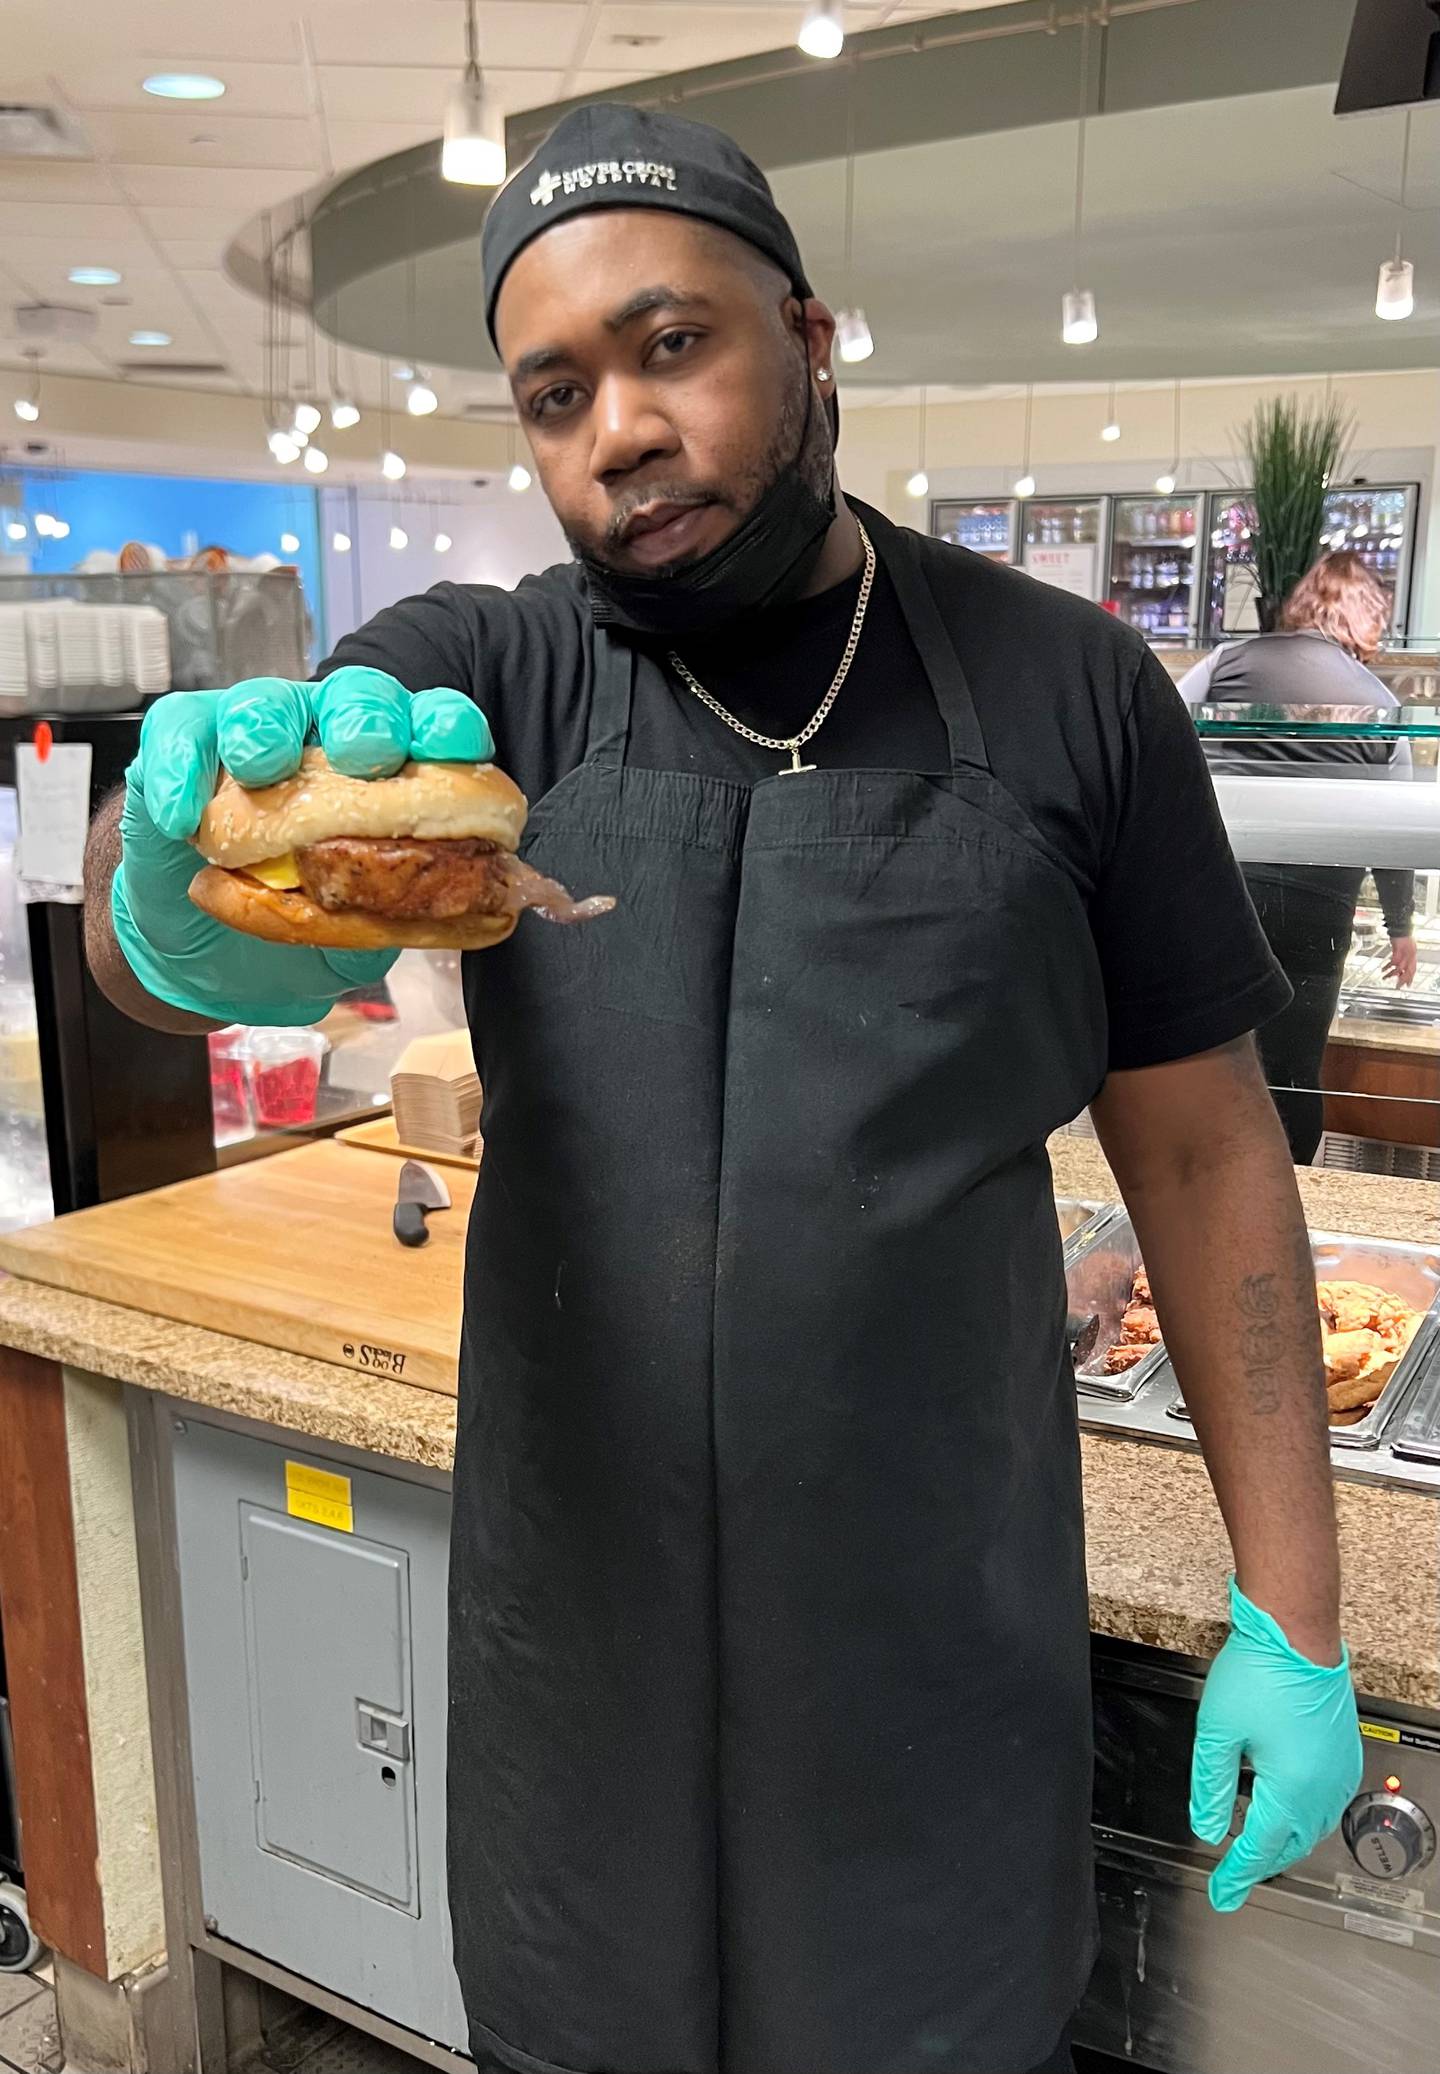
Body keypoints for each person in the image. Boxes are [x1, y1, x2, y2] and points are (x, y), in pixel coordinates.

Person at [84, 106, 1360, 2074]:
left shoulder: (1068, 693)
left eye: (671, 344)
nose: (618, 432)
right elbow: (186, 923)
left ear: (809, 331)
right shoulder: (489, 682)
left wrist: (1296, 1607)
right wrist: (164, 892)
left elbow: (1201, 1148)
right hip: (572, 1688)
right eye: (553, 393)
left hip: (930, 1665)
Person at [1179, 552, 1417, 1163]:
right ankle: (1284, 1202)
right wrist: (1401, 929)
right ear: (1366, 617)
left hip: (1218, 887)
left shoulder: (1228, 661)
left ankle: (1200, 1194)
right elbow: (1396, 832)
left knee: (1206, 1050)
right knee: (1292, 1066)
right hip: (1319, 907)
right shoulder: (1378, 701)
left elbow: (1162, 741)